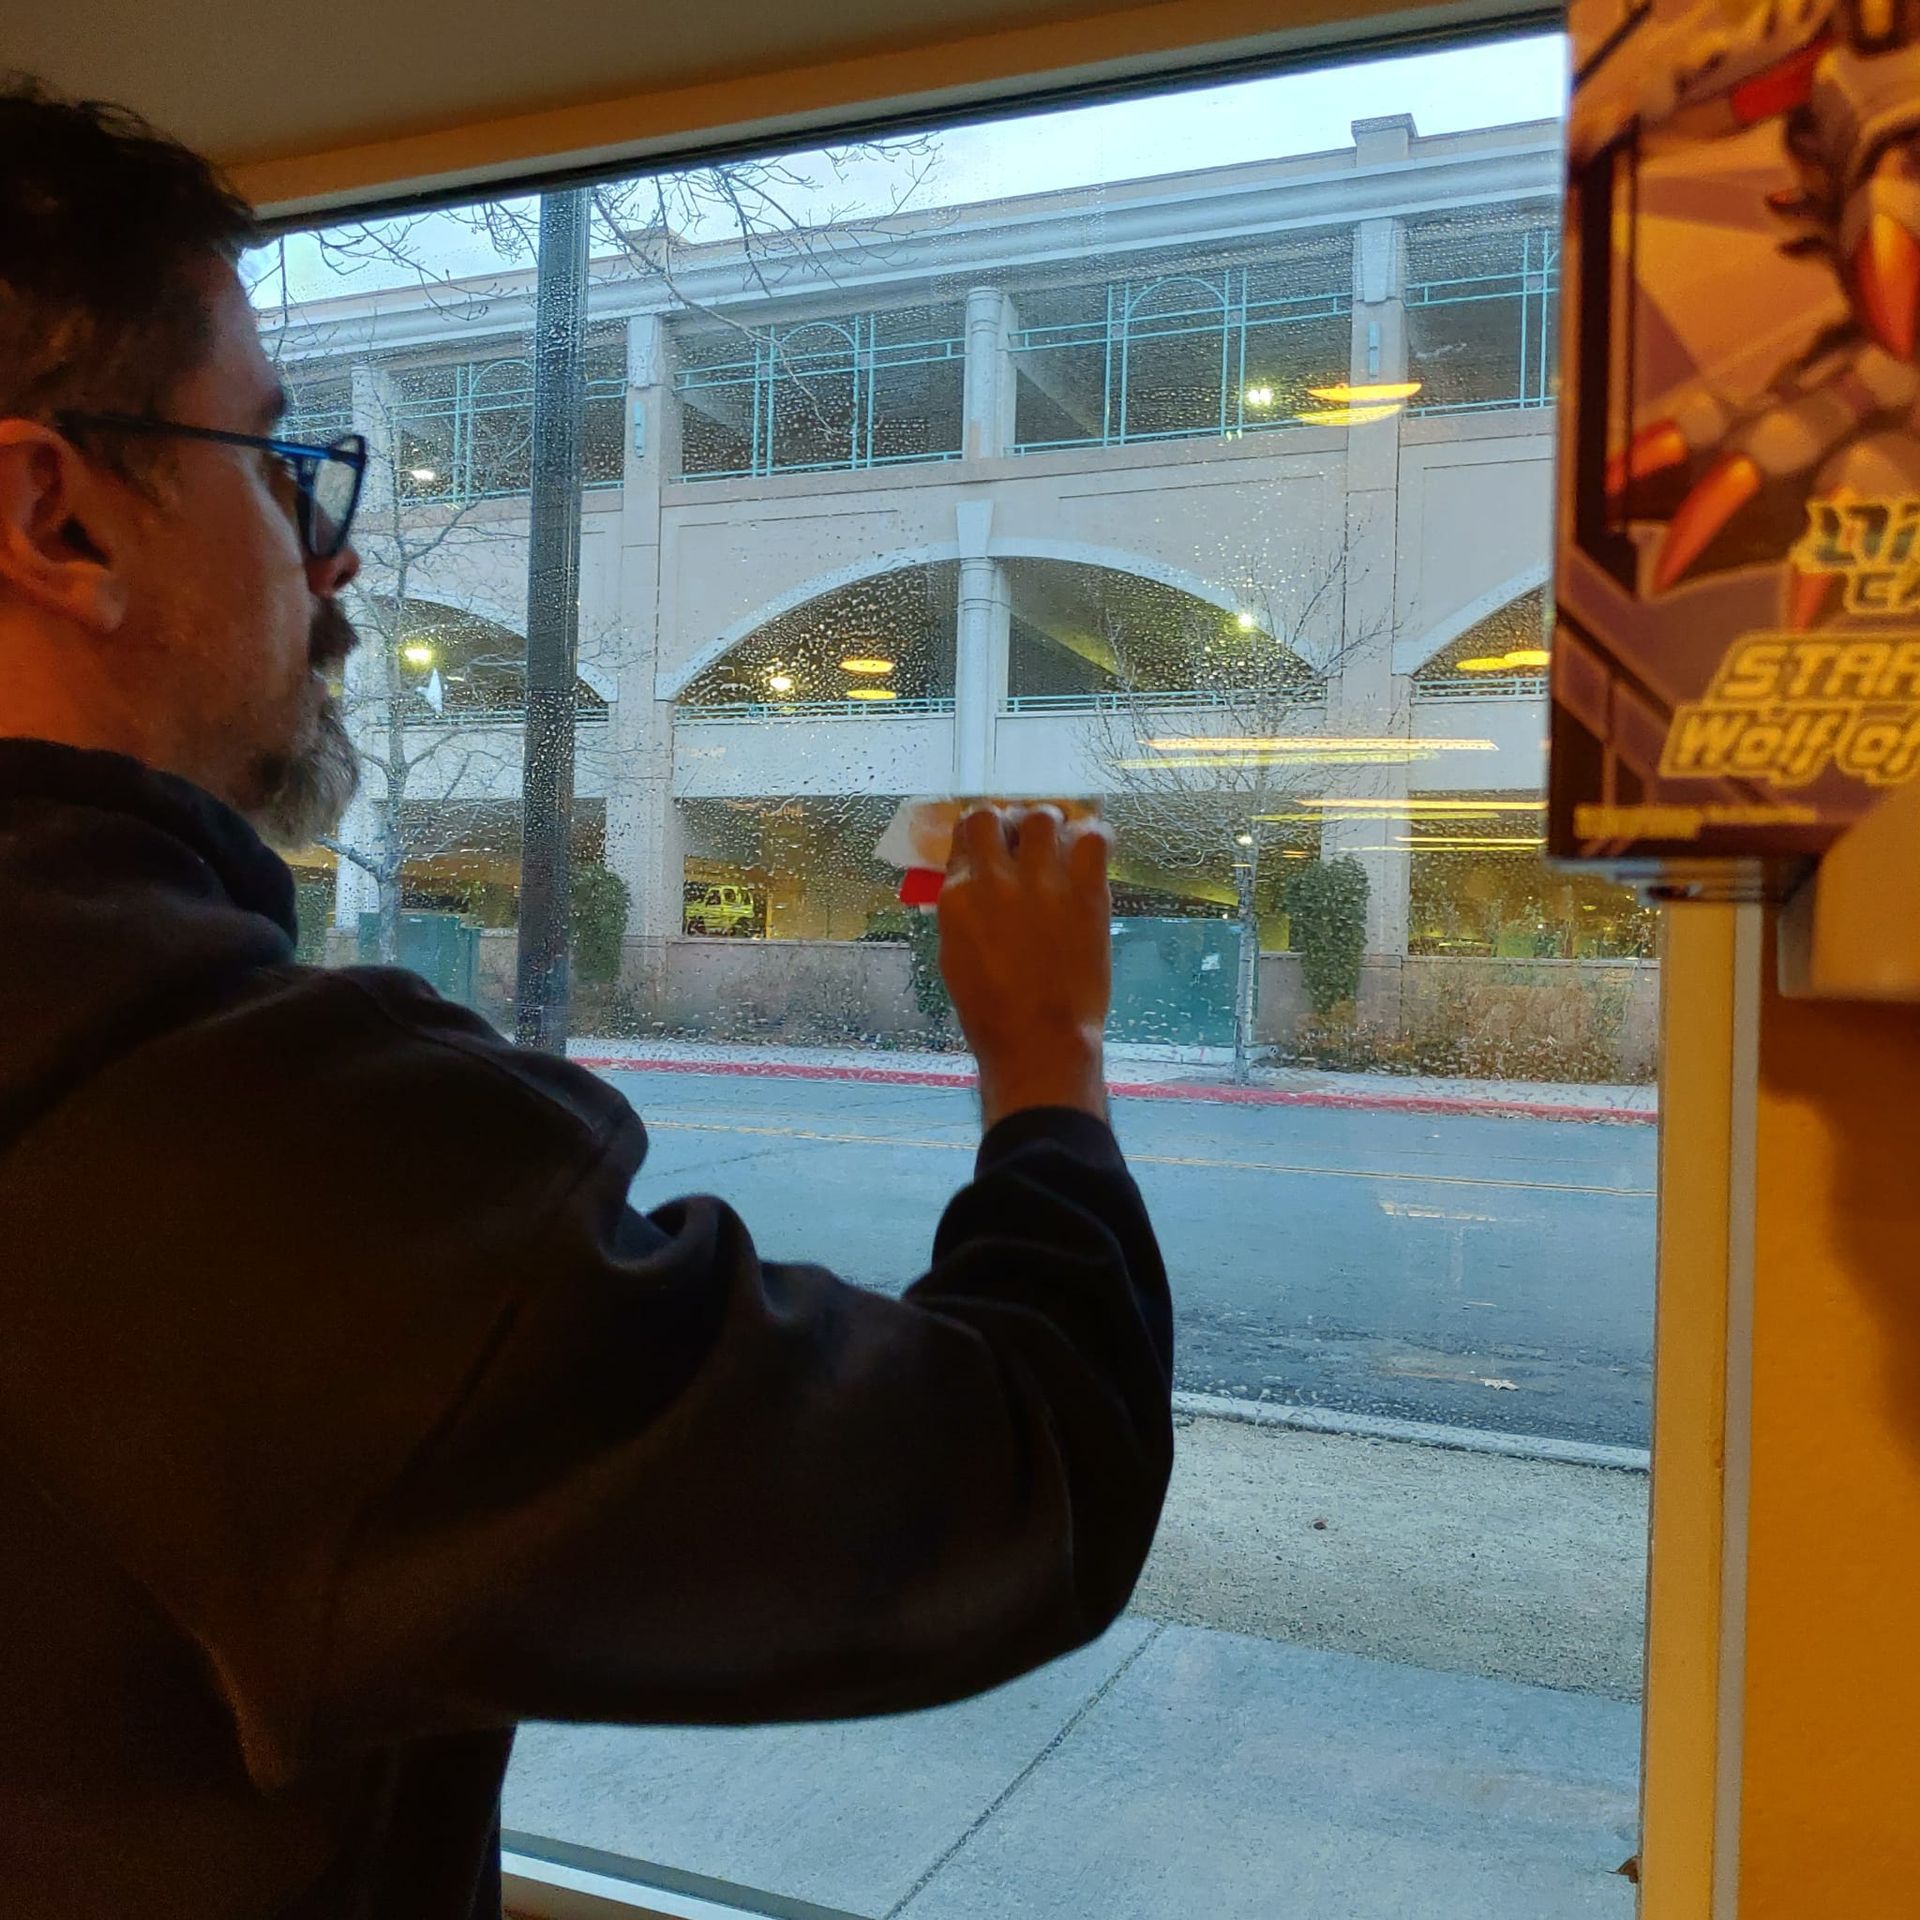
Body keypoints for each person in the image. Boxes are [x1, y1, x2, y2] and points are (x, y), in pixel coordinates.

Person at [0, 79, 1173, 1920]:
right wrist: (1048, 1064)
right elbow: (1024, 1477)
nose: (338, 553)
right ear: (52, 515)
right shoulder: (261, 1147)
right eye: (278, 464)